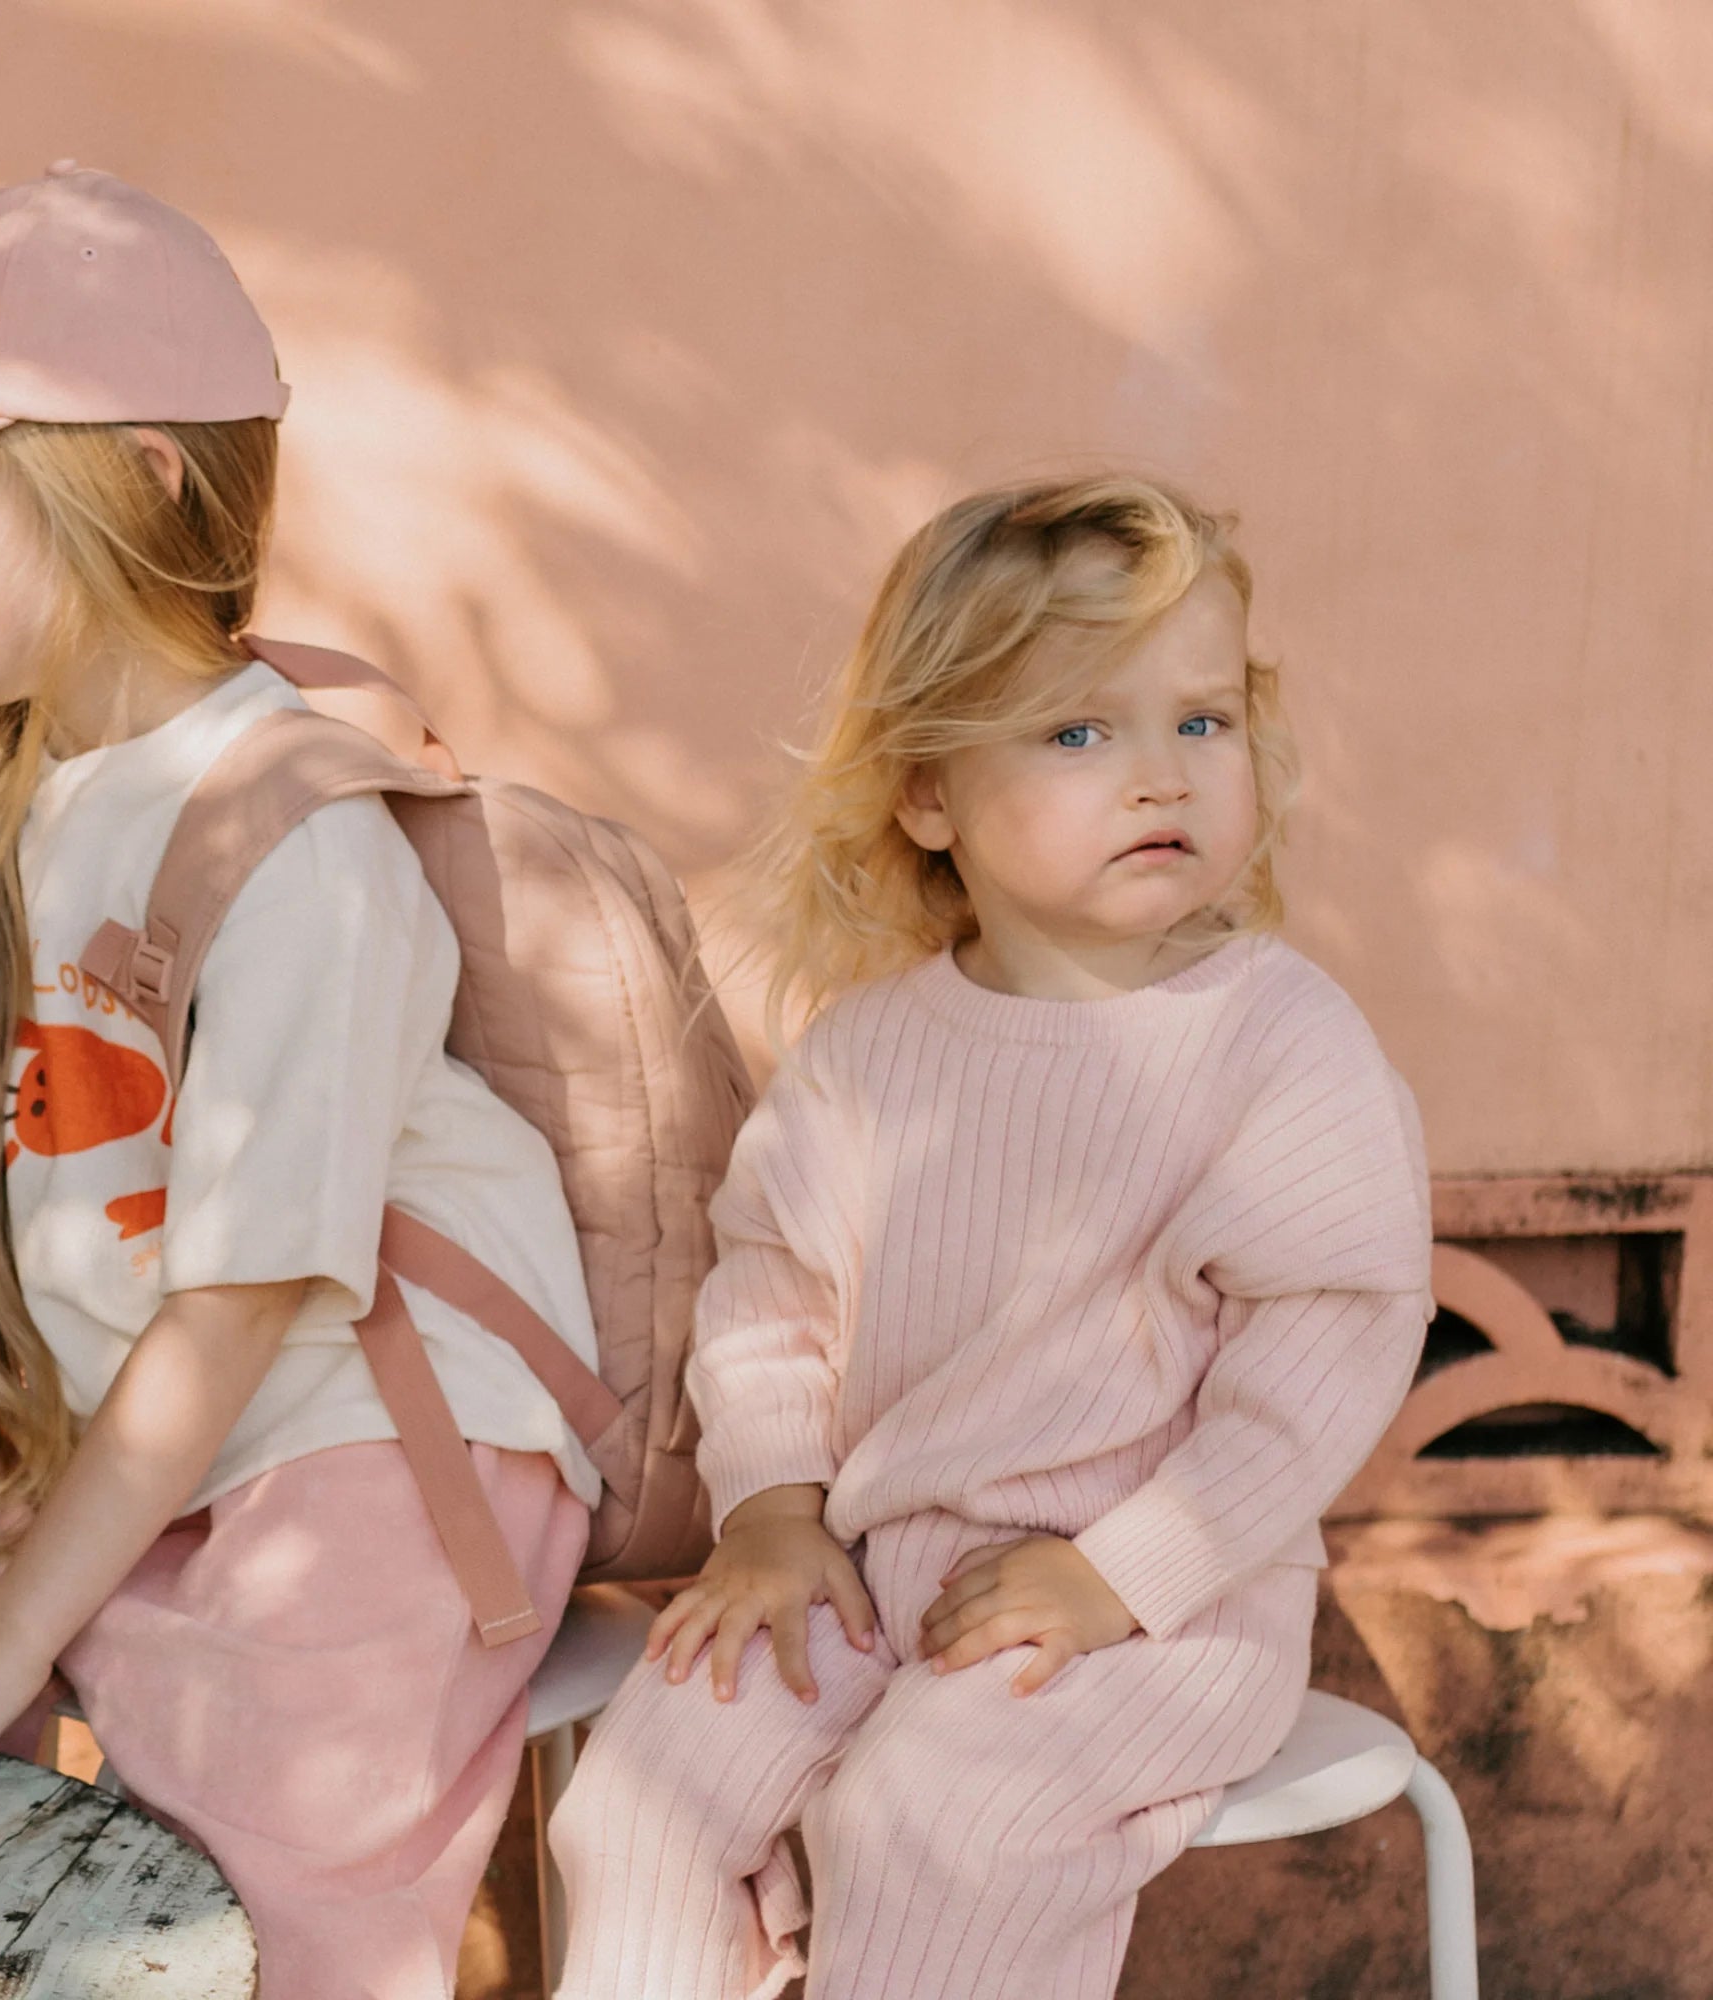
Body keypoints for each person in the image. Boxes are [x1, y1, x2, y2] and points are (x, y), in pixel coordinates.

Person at [0, 164, 600, 2000]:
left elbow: (244, 1298)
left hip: (360, 1441)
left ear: (137, 475)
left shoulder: (297, 841)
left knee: (282, 1888)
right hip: (125, 1426)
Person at [547, 476, 1434, 1999]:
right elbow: (773, 1298)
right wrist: (770, 1508)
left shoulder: (1277, 1046)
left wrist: (1120, 1573)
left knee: (936, 1817)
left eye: (1200, 722)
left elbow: (1322, 1366)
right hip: (876, 1570)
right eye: (1080, 732)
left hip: (1162, 1611)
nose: (1159, 775)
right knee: (646, 1794)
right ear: (929, 794)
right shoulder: (870, 1055)